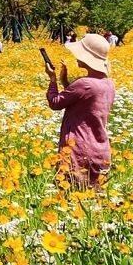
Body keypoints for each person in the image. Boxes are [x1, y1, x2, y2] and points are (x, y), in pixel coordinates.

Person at [44, 34, 115, 186]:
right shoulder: (108, 84)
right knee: (94, 201)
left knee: (69, 196)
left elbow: (55, 103)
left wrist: (52, 79)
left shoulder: (84, 83)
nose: (76, 55)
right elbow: (82, 101)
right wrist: (65, 82)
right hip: (100, 149)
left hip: (78, 150)